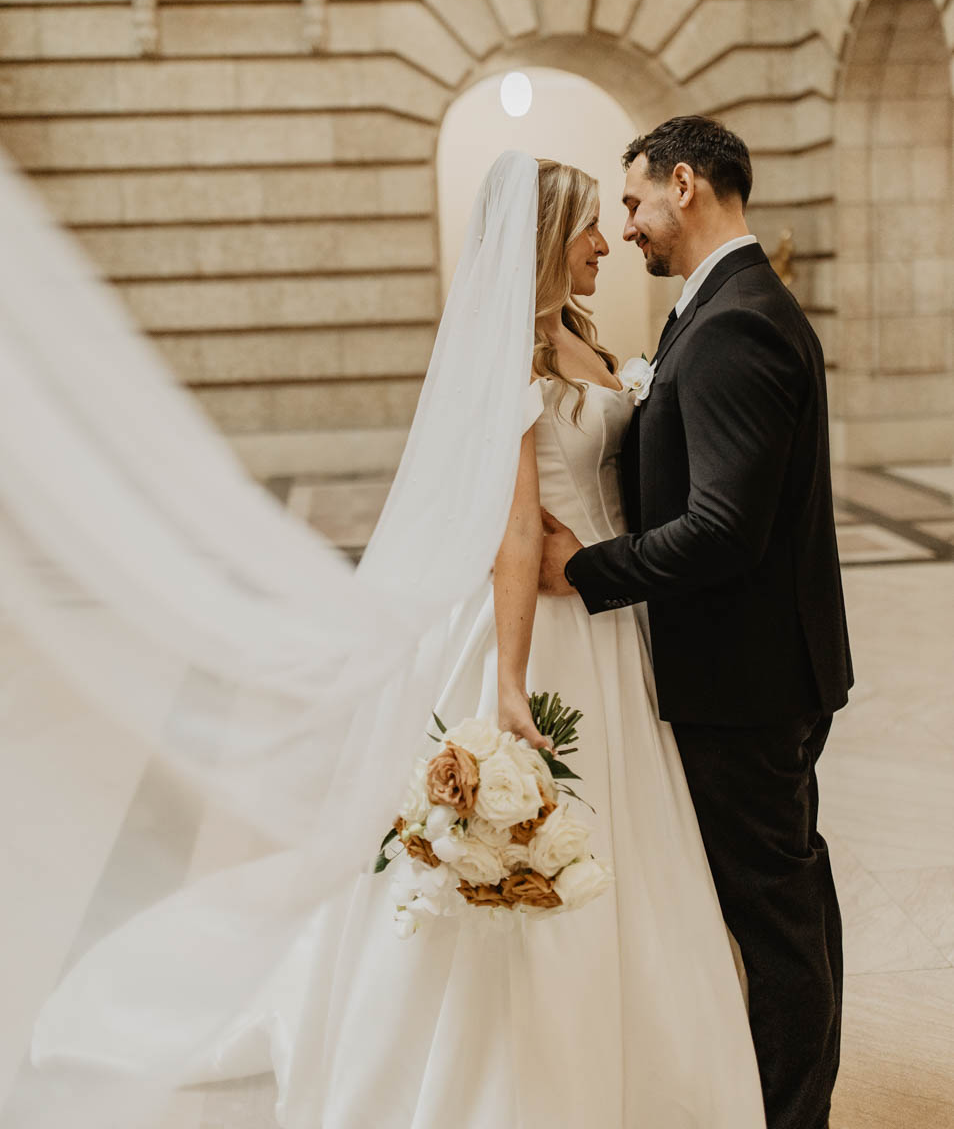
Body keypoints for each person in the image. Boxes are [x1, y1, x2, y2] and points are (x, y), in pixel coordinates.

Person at [23, 152, 766, 1129]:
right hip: (542, 627)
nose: (605, 241)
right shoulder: (513, 359)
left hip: (611, 622)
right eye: (589, 224)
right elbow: (514, 532)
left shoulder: (584, 338)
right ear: (547, 238)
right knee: (524, 841)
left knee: (632, 843)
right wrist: (510, 681)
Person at [539, 116, 853, 1129]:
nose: (626, 227)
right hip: (757, 667)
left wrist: (586, 569)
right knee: (791, 894)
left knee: (777, 918)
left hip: (744, 678)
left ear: (685, 183)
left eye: (633, 202)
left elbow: (723, 529)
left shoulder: (734, 323)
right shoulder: (725, 304)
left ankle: (792, 1113)